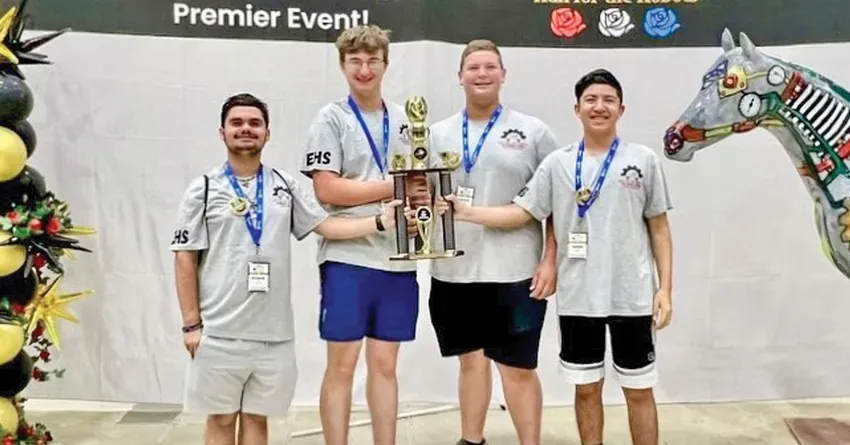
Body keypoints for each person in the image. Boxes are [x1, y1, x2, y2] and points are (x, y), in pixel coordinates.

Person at [439, 68, 674, 445]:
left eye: (608, 100)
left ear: (622, 109)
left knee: (639, 390)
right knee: (586, 389)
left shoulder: (643, 161)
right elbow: (522, 213)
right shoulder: (557, 164)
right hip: (578, 296)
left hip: (632, 297)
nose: (599, 107)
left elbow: (660, 228)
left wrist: (665, 290)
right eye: (591, 100)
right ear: (577, 109)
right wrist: (465, 213)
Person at [170, 93, 406, 445]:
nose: (246, 129)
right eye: (237, 123)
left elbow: (326, 226)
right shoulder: (202, 189)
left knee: (257, 419)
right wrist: (192, 324)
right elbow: (184, 257)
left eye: (255, 123)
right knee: (220, 419)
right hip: (219, 332)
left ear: (267, 133)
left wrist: (380, 222)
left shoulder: (284, 185)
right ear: (222, 132)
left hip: (273, 335)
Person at [298, 25, 430, 445]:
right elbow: (327, 189)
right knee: (342, 366)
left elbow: (419, 185)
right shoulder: (331, 119)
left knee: (386, 366)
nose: (364, 69)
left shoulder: (407, 121)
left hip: (398, 259)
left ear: (386, 65)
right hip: (348, 258)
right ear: (342, 66)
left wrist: (420, 208)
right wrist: (394, 187)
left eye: (373, 60)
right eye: (355, 61)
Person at [425, 39, 559, 445]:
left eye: (489, 67)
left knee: (517, 367)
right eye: (473, 67)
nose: (481, 74)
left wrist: (550, 260)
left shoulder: (534, 132)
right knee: (470, 362)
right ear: (460, 77)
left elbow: (555, 205)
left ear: (503, 75)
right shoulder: (435, 134)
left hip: (514, 271)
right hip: (454, 270)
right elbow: (423, 195)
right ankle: (472, 440)